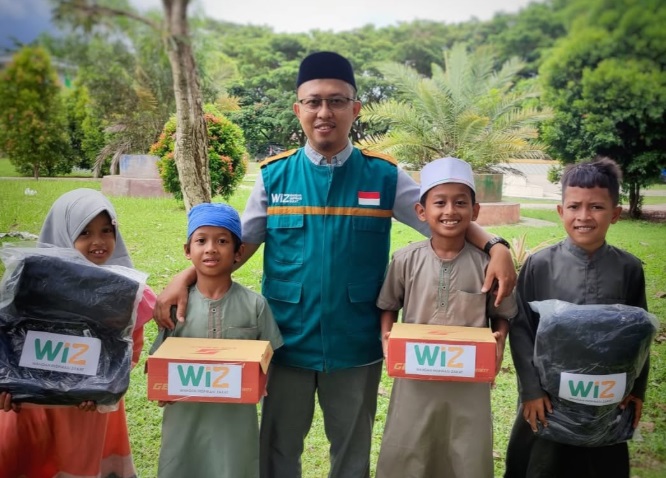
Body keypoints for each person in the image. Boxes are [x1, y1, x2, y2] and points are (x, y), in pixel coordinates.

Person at [154, 51, 516, 478]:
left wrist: (496, 246)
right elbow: (234, 250)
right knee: (278, 450)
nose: (324, 112)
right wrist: (185, 276)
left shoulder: (384, 176)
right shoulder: (274, 177)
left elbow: (443, 219)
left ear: (355, 109)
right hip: (287, 340)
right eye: (313, 102)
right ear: (298, 110)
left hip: (355, 343)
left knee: (351, 453)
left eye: (337, 101)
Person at [504, 157, 650, 478]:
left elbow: (639, 336)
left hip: (606, 398)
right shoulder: (539, 265)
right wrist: (531, 391)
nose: (584, 216)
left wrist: (637, 390)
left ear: (615, 213)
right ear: (561, 211)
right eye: (574, 206)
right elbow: (522, 328)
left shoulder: (628, 269)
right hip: (548, 400)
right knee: (542, 465)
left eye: (596, 207)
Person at [375, 157, 516, 478]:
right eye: (440, 203)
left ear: (475, 211)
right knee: (408, 447)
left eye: (460, 203)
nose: (450, 211)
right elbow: (388, 304)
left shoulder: (488, 264)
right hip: (415, 376)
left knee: (466, 451)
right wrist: (386, 339)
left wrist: (499, 343)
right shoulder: (405, 259)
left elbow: (501, 314)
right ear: (421, 211)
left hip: (469, 379)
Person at [0, 188, 155, 478]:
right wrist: (7, 386)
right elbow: (7, 344)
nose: (98, 241)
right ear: (62, 232)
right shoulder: (26, 285)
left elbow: (129, 353)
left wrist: (100, 386)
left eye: (107, 230)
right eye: (84, 232)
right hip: (32, 411)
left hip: (88, 415)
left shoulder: (125, 293)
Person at [154, 203, 283, 478]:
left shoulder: (255, 305)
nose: (211, 249)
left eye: (222, 241)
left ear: (239, 252)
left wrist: (261, 384)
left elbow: (268, 357)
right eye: (201, 241)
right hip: (184, 418)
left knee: (233, 468)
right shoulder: (176, 307)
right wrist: (162, 388)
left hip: (235, 421)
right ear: (187, 250)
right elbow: (159, 363)